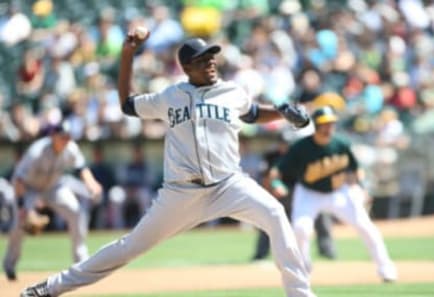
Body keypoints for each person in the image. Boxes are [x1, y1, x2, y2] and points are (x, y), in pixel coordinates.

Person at [20, 34, 317, 297]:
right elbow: (127, 104)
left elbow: (251, 113)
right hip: (180, 194)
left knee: (276, 213)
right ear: (187, 68)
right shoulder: (170, 96)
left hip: (229, 185)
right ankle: (51, 288)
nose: (211, 62)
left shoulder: (232, 92)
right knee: (128, 247)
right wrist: (127, 55)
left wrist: (281, 112)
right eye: (202, 59)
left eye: (212, 56)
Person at [267, 105, 398, 282]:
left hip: (339, 192)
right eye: (324, 124)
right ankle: (304, 269)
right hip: (309, 193)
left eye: (331, 124)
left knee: (366, 227)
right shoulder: (302, 147)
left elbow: (355, 169)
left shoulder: (341, 144)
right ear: (316, 125)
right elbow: (277, 170)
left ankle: (386, 268)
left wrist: (361, 187)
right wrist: (276, 184)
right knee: (301, 229)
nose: (329, 127)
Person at [3, 122, 102, 282]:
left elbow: (81, 168)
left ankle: (81, 260)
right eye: (63, 136)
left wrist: (91, 183)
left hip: (54, 187)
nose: (66, 140)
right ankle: (9, 266)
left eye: (68, 137)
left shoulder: (70, 148)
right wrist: (23, 207)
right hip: (28, 189)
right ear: (53, 136)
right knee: (19, 225)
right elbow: (19, 180)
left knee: (76, 212)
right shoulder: (37, 152)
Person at [252, 137, 337, 261]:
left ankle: (326, 251)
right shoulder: (272, 156)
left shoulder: (298, 156)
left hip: (300, 193)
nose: (285, 146)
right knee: (269, 220)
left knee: (321, 217)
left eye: (287, 144)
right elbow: (269, 177)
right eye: (283, 143)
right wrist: (274, 187)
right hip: (278, 196)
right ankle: (260, 254)